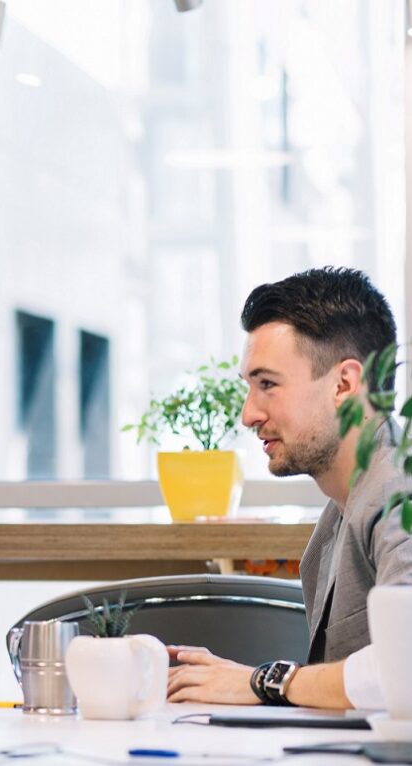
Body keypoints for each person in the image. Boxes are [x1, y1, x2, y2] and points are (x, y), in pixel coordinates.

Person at [167, 266, 412, 709]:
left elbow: (407, 668)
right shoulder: (341, 510)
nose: (248, 414)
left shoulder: (398, 494)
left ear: (344, 384)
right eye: (250, 387)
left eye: (268, 385)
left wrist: (264, 683)